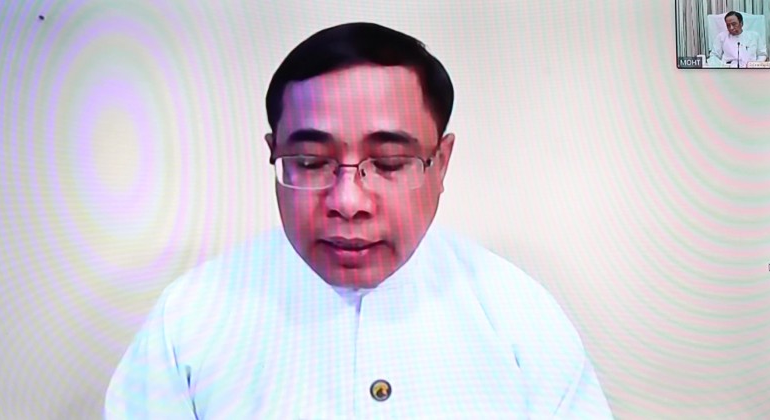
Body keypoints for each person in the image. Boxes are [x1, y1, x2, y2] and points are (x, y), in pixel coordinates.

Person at [104, 22, 613, 419]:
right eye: (309, 162)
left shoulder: (519, 315)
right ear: (274, 154)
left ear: (441, 163)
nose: (347, 201)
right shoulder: (192, 318)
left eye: (389, 164)